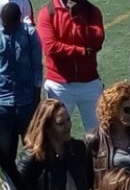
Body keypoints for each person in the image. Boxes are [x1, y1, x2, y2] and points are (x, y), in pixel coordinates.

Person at [0, 2, 43, 159]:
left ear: (18, 20)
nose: (7, 28)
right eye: (4, 23)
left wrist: (36, 96)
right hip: (2, 103)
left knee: (34, 151)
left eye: (11, 24)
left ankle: (31, 184)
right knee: (4, 153)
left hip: (26, 101)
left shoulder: (29, 34)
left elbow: (37, 66)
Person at [36, 0, 105, 132]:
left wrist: (78, 20)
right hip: (59, 84)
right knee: (57, 133)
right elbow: (50, 48)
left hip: (89, 82)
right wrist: (82, 51)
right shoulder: (48, 12)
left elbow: (97, 41)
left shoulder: (92, 11)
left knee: (99, 133)